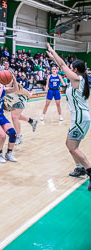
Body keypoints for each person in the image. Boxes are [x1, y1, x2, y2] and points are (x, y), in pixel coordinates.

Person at [46, 42, 91, 191]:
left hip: (80, 118)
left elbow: (63, 66)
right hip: (78, 118)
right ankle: (79, 167)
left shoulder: (77, 80)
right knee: (69, 144)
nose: (68, 68)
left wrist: (53, 51)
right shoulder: (76, 79)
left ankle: (89, 171)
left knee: (73, 147)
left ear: (75, 70)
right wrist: (54, 58)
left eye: (71, 67)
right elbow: (63, 65)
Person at [5, 77, 38, 145]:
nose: (7, 80)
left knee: (14, 116)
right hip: (12, 102)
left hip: (20, 101)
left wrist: (30, 93)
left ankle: (18, 136)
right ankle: (32, 121)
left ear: (12, 80)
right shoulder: (2, 87)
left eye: (9, 79)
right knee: (18, 116)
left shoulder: (17, 88)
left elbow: (27, 93)